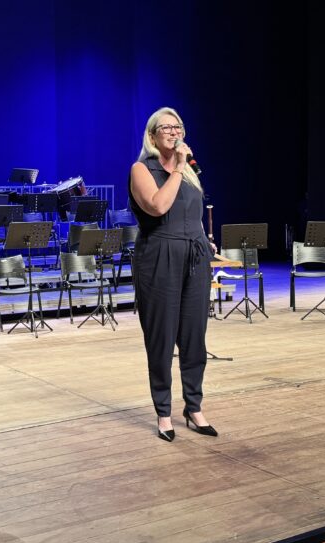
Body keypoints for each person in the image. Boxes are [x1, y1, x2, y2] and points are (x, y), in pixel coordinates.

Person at [128, 107, 218, 442]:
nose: (173, 131)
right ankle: (163, 412)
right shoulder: (142, 169)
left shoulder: (190, 172)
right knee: (162, 339)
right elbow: (158, 206)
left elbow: (194, 213)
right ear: (152, 136)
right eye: (166, 127)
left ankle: (194, 407)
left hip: (194, 257)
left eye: (177, 126)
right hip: (159, 257)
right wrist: (178, 168)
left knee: (194, 337)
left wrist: (205, 242)